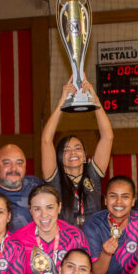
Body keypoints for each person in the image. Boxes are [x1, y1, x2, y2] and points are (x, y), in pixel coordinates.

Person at [41, 79, 113, 226]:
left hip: (93, 241)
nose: (73, 152)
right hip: (65, 242)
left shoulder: (93, 174)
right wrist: (62, 102)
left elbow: (108, 137)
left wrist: (95, 101)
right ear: (59, 157)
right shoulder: (54, 179)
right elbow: (46, 140)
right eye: (66, 150)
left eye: (78, 148)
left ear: (85, 156)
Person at [13, 184, 90, 274]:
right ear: (30, 210)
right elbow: (9, 272)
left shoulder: (75, 236)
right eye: (37, 209)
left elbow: (85, 272)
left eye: (50, 207)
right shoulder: (19, 238)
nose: (44, 215)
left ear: (59, 207)